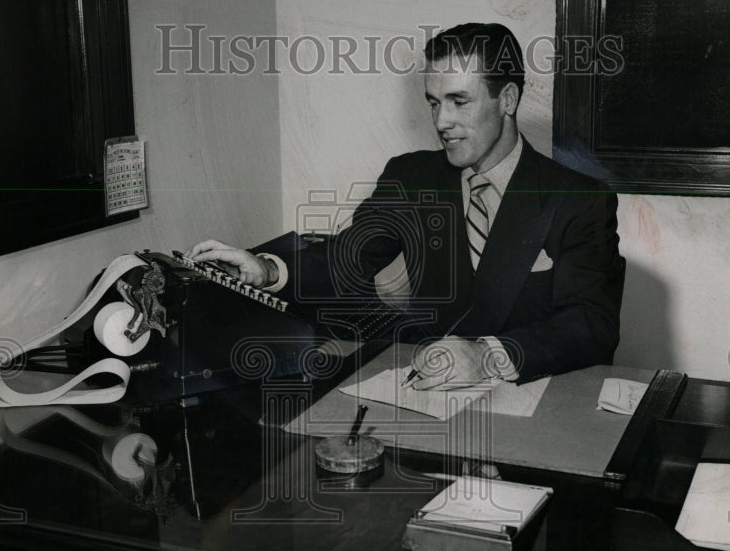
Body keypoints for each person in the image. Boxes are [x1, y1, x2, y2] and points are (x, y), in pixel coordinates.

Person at [187, 22, 623, 388]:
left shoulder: (580, 199)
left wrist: (487, 355)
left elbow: (591, 326)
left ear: (506, 99)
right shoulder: (411, 177)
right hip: (427, 397)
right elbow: (346, 259)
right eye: (434, 103)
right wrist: (267, 271)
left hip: (530, 395)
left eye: (458, 101)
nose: (440, 123)